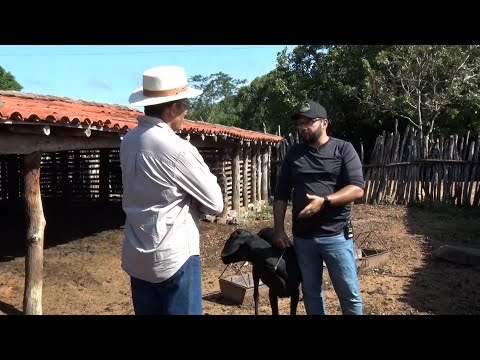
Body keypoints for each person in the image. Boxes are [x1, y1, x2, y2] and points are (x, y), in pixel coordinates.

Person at [120, 65, 224, 315]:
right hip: (174, 258)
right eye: (185, 105)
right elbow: (216, 204)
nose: (186, 112)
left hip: (137, 257)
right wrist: (191, 199)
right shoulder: (178, 150)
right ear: (171, 107)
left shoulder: (128, 142)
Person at [272, 99, 365, 315]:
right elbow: (281, 194)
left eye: (308, 122)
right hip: (304, 238)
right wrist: (278, 230)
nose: (303, 127)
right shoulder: (294, 154)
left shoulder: (343, 149)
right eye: (300, 123)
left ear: (324, 123)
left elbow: (357, 189)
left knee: (349, 293)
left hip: (336, 236)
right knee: (311, 293)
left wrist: (325, 202)